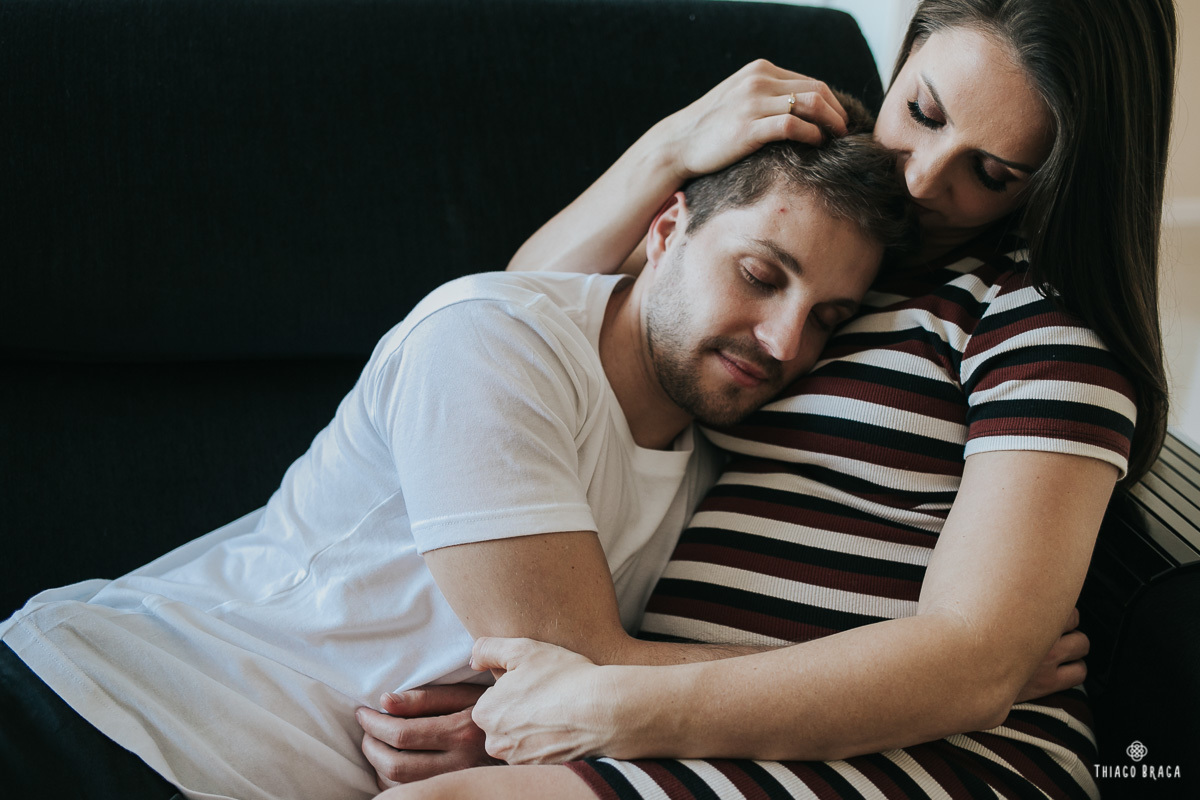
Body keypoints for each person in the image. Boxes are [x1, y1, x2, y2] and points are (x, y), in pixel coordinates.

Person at [367, 0, 1176, 798]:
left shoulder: (1036, 317)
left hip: (936, 751)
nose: (923, 178)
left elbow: (973, 668)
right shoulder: (821, 217)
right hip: (715, 721)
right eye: (923, 112)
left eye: (992, 173)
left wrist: (597, 708)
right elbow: (522, 311)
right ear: (903, 59)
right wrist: (671, 149)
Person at [0, 101, 918, 800]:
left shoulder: (724, 461)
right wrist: (938, 672)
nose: (786, 341)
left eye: (829, 320)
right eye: (761, 275)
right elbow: (590, 669)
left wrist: (520, 725)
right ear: (668, 229)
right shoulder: (490, 341)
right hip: (105, 715)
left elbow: (577, 698)